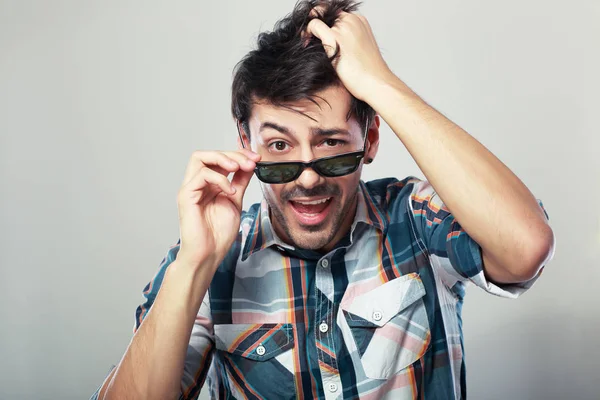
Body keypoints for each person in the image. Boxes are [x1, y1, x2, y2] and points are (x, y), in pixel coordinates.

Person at [92, 0, 555, 399]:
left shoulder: (415, 217)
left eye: (331, 143)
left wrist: (378, 82)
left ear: (370, 138)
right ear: (246, 144)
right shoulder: (209, 265)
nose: (308, 178)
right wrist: (195, 262)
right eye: (279, 147)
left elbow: (525, 247)